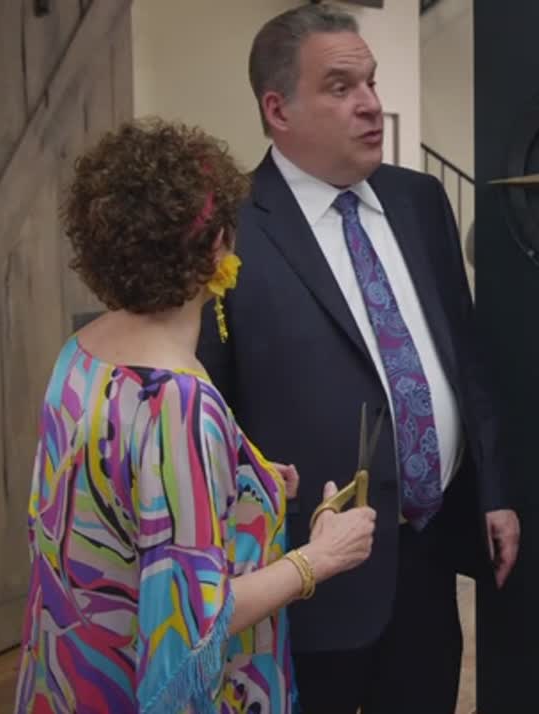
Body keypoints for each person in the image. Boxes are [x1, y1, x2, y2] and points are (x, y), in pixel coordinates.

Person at [196, 4, 520, 713]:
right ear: (278, 109)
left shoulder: (419, 201)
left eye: (370, 82)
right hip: (306, 579)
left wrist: (492, 489)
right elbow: (211, 413)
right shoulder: (228, 232)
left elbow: (465, 358)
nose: (371, 104)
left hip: (428, 555)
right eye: (341, 87)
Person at [13, 119, 377, 714]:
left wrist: (247, 483)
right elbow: (192, 630)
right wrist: (319, 558)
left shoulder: (79, 354)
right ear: (216, 247)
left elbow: (118, 502)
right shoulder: (178, 402)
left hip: (76, 677)